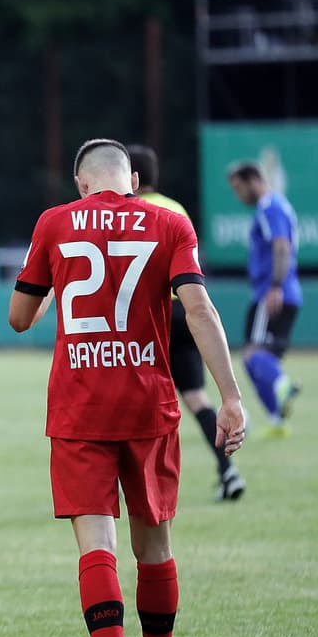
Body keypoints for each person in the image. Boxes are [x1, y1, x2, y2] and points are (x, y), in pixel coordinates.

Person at [9, 139, 246, 637]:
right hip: (148, 407)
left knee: (97, 547)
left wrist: (55, 282)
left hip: (79, 407)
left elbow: (19, 317)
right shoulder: (168, 223)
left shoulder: (55, 222)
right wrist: (231, 397)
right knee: (154, 549)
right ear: (133, 180)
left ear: (81, 183)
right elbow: (198, 310)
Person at [129, 145, 245, 499]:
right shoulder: (176, 209)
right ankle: (228, 471)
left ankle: (133, 481)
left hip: (152, 314)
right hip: (185, 311)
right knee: (196, 397)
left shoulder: (130, 211)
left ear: (128, 175)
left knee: (135, 397)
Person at [227, 161, 302, 438]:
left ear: (253, 180)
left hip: (272, 293)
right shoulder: (274, 206)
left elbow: (281, 246)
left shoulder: (270, 207)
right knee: (251, 358)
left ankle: (281, 383)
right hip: (280, 291)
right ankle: (277, 419)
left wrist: (275, 286)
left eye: (238, 188)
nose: (238, 195)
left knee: (253, 355)